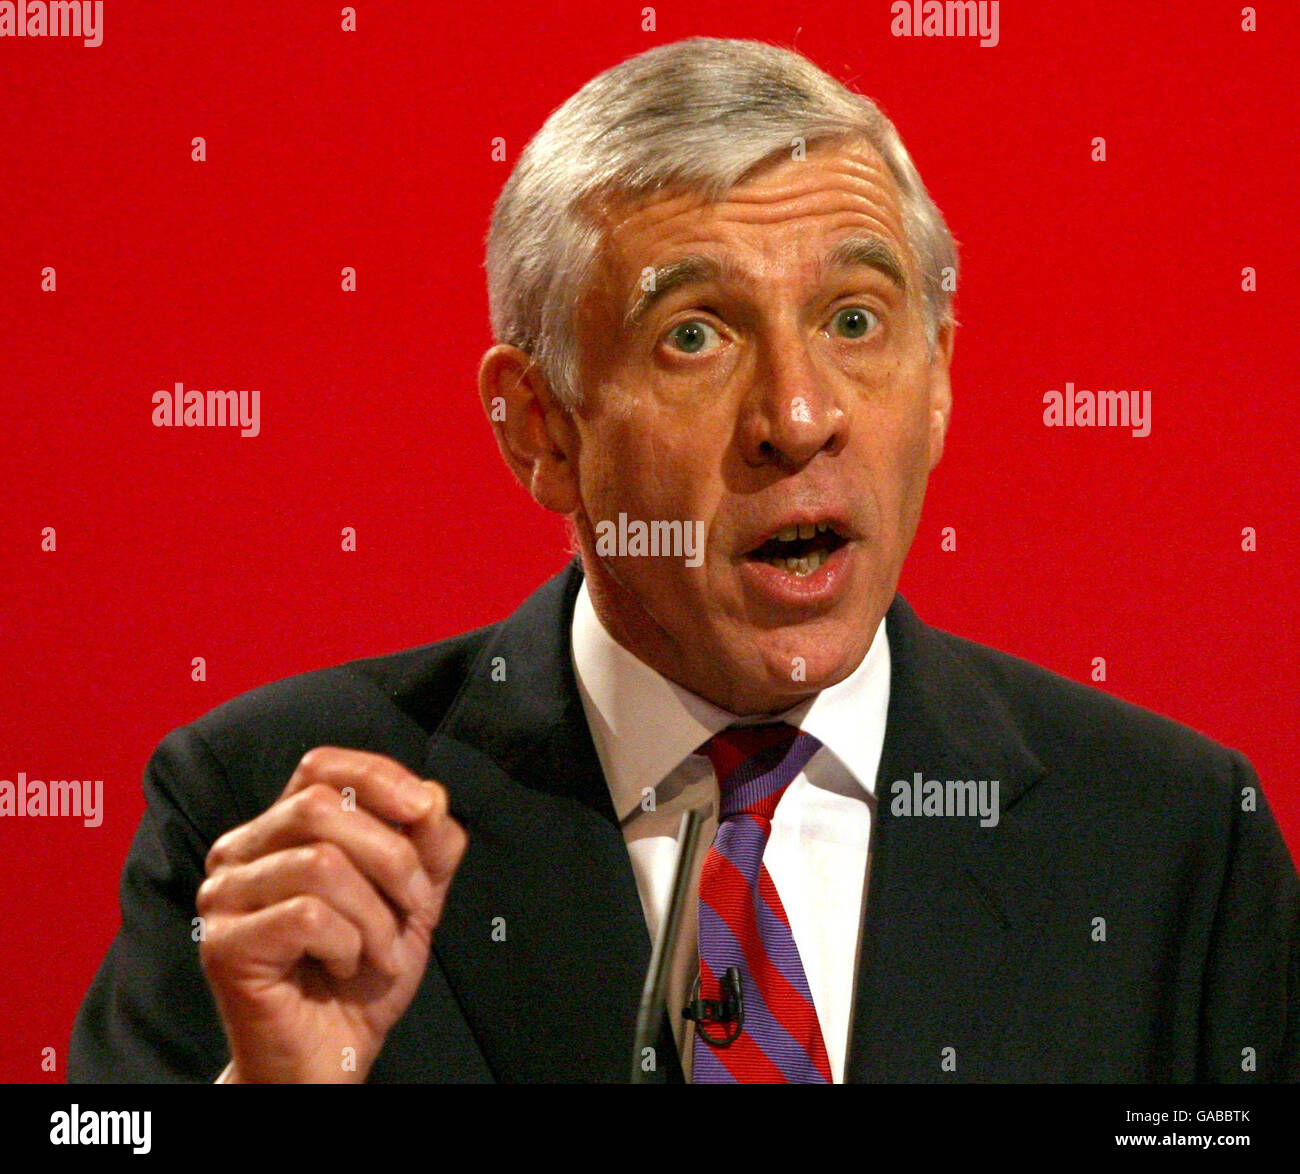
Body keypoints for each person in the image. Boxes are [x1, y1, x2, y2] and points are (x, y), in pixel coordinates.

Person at [69, 36, 1299, 1084]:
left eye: (856, 320)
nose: (801, 413)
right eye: (695, 335)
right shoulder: (266, 813)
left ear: (939, 383)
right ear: (539, 427)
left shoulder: (1170, 835)